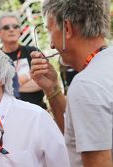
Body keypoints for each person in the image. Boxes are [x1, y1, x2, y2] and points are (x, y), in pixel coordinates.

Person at [30, 0, 112, 167]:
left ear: (67, 28)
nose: (52, 45)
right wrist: (52, 89)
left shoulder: (86, 85)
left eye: (50, 30)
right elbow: (76, 135)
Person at [0, 12, 47, 109]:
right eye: (6, 27)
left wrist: (11, 87)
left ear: (20, 30)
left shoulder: (32, 51)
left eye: (15, 26)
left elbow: (45, 81)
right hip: (10, 114)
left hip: (37, 110)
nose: (11, 29)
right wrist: (28, 77)